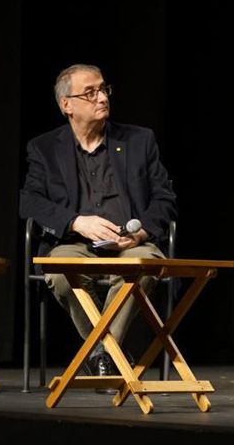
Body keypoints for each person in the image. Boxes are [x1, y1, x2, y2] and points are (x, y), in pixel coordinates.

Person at [19, 64, 177, 375]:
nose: (102, 98)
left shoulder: (139, 140)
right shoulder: (45, 148)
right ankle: (111, 353)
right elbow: (30, 201)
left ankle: (102, 354)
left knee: (143, 267)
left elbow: (164, 198)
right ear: (67, 105)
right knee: (61, 273)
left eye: (104, 89)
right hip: (73, 242)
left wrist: (142, 233)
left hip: (130, 242)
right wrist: (77, 221)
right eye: (90, 93)